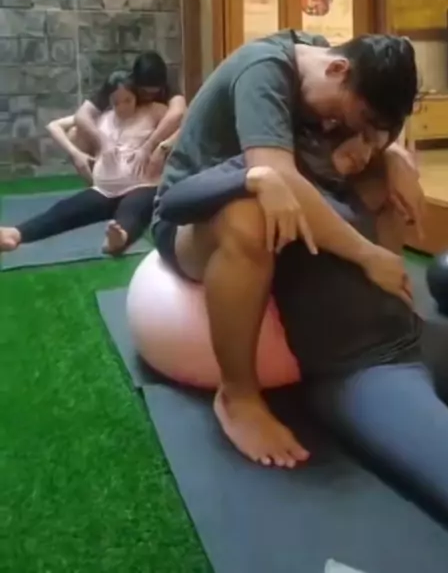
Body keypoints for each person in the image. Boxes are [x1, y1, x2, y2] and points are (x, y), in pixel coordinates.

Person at [152, 29, 424, 468]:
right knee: (250, 217)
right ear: (337, 70)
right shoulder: (264, 70)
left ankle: (385, 323)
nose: (336, 127)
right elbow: (278, 176)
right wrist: (367, 254)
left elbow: (326, 160)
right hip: (192, 218)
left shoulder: (324, 57)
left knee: (381, 177)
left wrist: (393, 159)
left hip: (275, 192)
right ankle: (237, 397)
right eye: (351, 117)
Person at [0, 71, 166, 256]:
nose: (123, 107)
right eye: (117, 102)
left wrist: (157, 147)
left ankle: (119, 238)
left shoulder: (152, 111)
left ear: (136, 96)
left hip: (139, 185)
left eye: (128, 100)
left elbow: (179, 120)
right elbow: (54, 126)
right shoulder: (102, 116)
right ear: (109, 100)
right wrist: (76, 153)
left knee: (133, 209)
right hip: (104, 190)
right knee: (67, 209)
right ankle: (15, 234)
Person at [72, 52, 186, 180]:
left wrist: (151, 146)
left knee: (177, 129)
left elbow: (178, 113)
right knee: (75, 134)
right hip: (123, 135)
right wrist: (102, 142)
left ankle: (156, 182)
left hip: (153, 135)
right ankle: (97, 182)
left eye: (154, 93)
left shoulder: (165, 82)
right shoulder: (121, 83)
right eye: (144, 92)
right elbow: (81, 116)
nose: (149, 97)